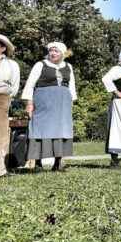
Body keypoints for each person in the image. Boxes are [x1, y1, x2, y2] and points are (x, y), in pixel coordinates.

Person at [21, 42, 77, 172]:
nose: (53, 53)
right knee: (40, 129)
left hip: (62, 103)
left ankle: (57, 163)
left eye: (56, 51)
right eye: (51, 50)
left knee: (60, 130)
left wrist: (71, 102)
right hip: (43, 102)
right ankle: (38, 162)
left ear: (62, 53)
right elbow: (30, 84)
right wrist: (29, 103)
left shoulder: (68, 66)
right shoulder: (40, 65)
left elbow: (72, 86)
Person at [0, 34, 20, 178]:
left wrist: (6, 100)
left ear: (2, 48)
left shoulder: (11, 65)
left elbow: (14, 87)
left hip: (2, 99)